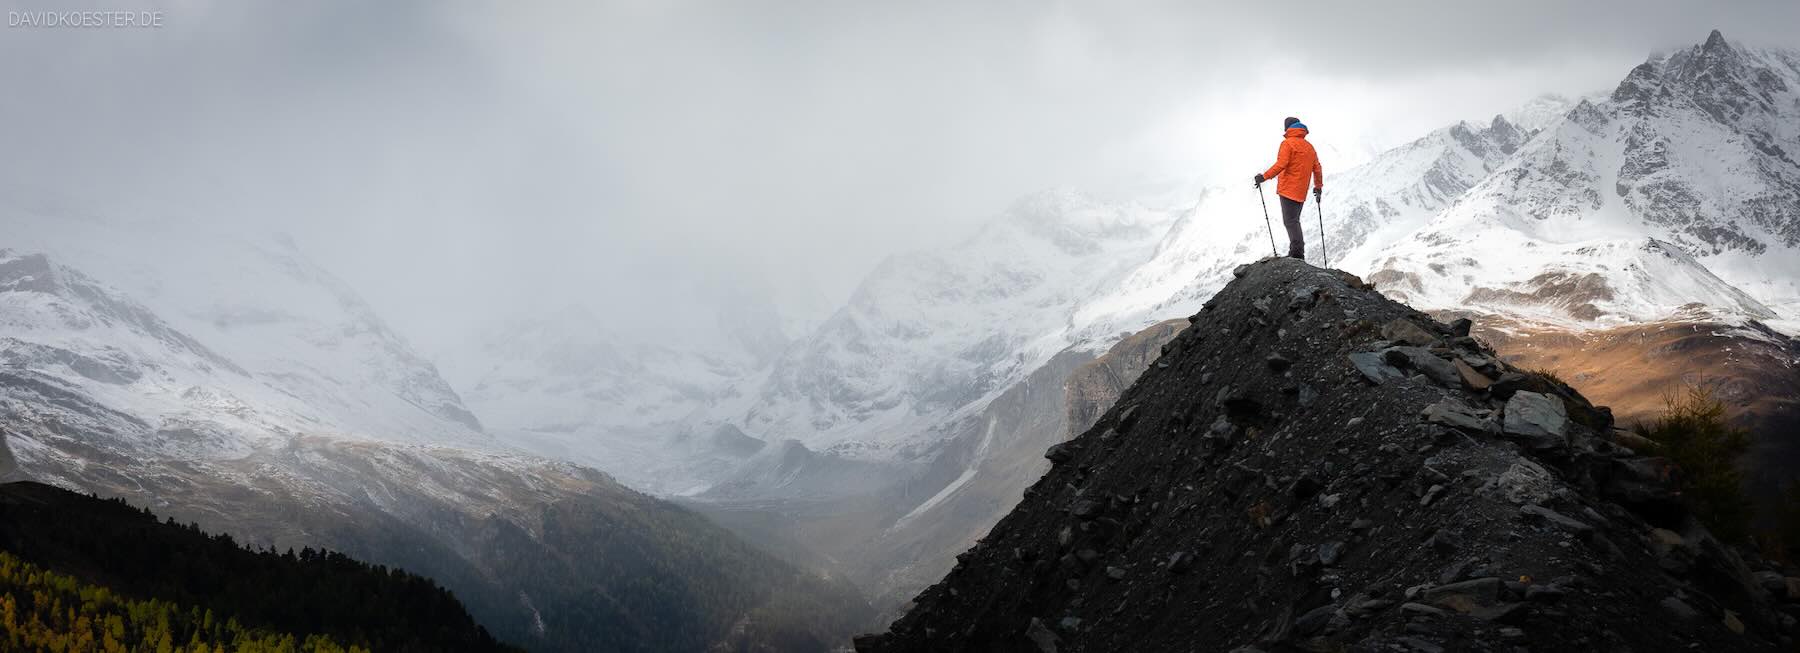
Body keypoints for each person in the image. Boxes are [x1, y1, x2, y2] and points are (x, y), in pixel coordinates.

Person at [1254, 117, 1323, 259]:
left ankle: (1297, 253)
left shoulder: (1287, 144)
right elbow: (1317, 168)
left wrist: (1264, 177)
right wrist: (1318, 187)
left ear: (1287, 128)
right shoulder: (1310, 147)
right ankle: (1296, 251)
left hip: (1288, 189)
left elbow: (1281, 164)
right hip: (1301, 191)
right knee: (1294, 220)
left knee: (1290, 221)